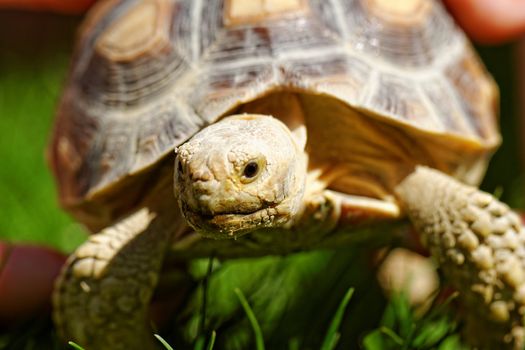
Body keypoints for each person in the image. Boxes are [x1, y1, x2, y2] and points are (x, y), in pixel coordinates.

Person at [0, 0, 524, 324]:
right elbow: (99, 294)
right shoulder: (181, 197)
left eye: (248, 171)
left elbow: (493, 251)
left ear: (286, 156)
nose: (207, 191)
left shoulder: (393, 159)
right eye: (185, 173)